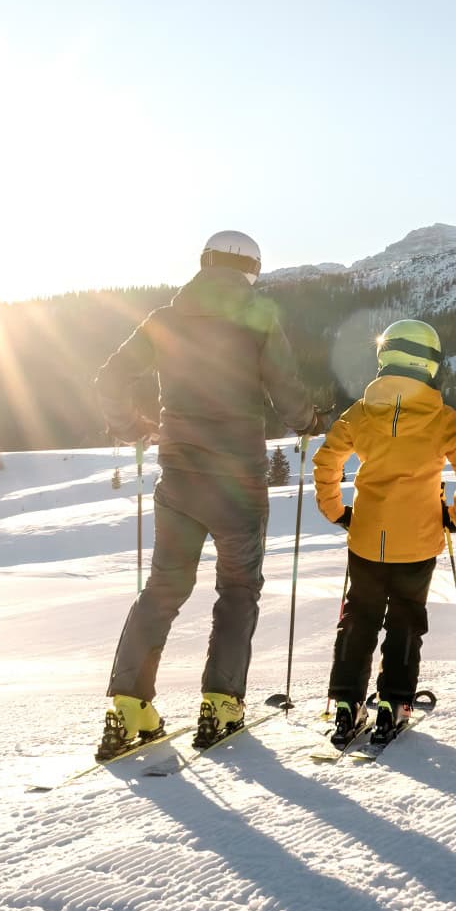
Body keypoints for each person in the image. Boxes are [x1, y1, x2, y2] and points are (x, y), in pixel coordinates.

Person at [94, 230, 332, 757]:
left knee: (162, 589)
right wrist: (309, 421)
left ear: (204, 264)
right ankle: (221, 703)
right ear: (251, 269)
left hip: (179, 477)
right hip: (238, 484)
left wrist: (132, 427)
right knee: (238, 590)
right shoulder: (258, 317)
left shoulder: (165, 318)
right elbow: (285, 388)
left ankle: (128, 707)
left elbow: (109, 379)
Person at [312, 319, 456, 748]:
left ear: (384, 357)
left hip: (366, 537)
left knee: (359, 618)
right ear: (431, 363)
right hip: (419, 541)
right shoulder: (442, 418)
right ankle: (394, 703)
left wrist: (336, 512)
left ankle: (347, 704)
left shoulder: (360, 413)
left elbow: (326, 462)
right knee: (406, 622)